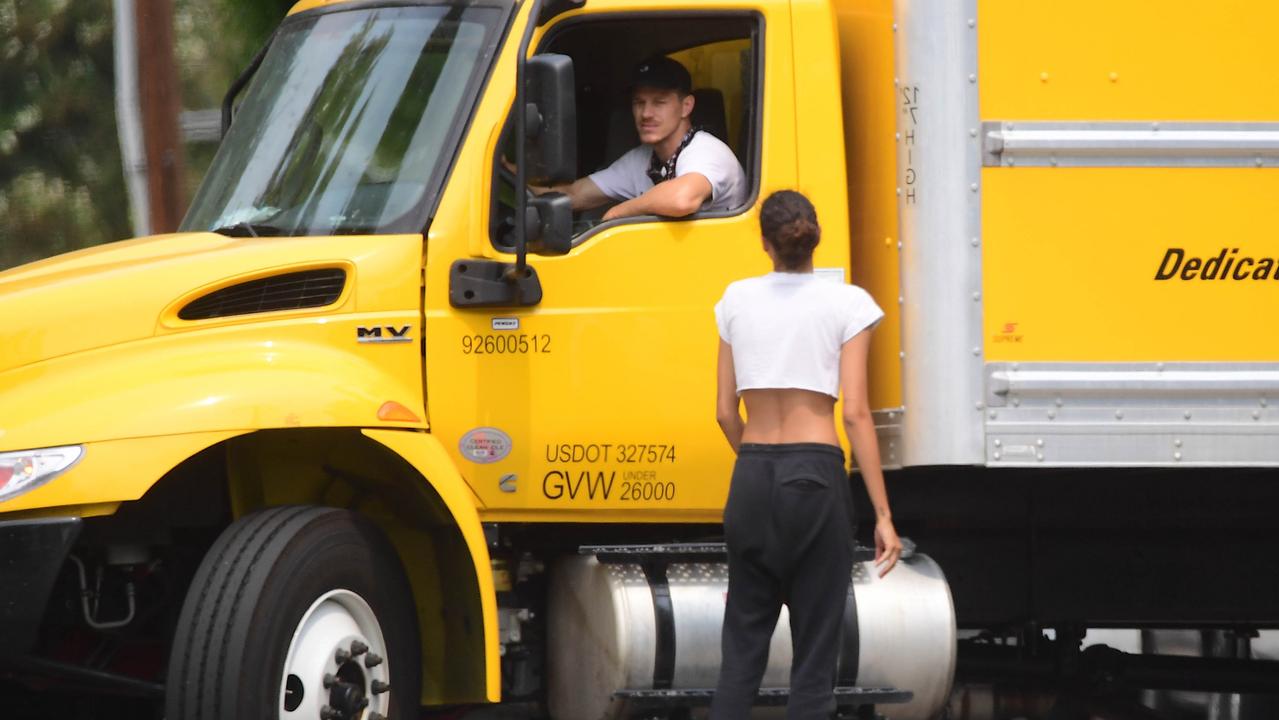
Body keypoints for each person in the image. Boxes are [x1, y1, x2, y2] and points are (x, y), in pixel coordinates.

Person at [709, 190, 902, 720]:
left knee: (741, 653)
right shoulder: (848, 303)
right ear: (815, 234)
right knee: (815, 659)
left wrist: (754, 460)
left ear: (766, 243)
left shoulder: (736, 300)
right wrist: (883, 516)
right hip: (814, 475)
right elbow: (856, 413)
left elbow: (726, 412)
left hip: (751, 476)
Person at [526, 55, 747, 220]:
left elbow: (682, 198)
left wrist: (617, 213)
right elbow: (574, 195)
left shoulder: (707, 151)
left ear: (686, 106)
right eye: (639, 102)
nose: (646, 113)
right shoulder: (641, 159)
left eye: (659, 102)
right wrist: (512, 173)